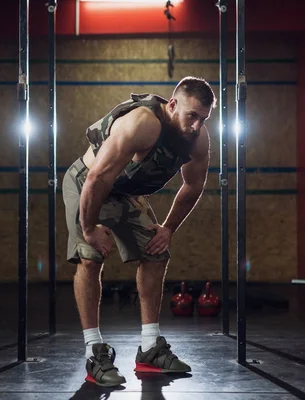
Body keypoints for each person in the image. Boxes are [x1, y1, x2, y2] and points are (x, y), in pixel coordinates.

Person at [62, 76, 216, 387]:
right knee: (90, 258)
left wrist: (168, 228)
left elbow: (194, 184)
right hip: (87, 183)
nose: (197, 126)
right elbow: (97, 179)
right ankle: (94, 352)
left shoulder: (197, 139)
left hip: (126, 193)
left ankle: (150, 349)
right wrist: (90, 228)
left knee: (157, 253)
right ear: (172, 105)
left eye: (204, 118)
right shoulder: (142, 123)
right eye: (192, 116)